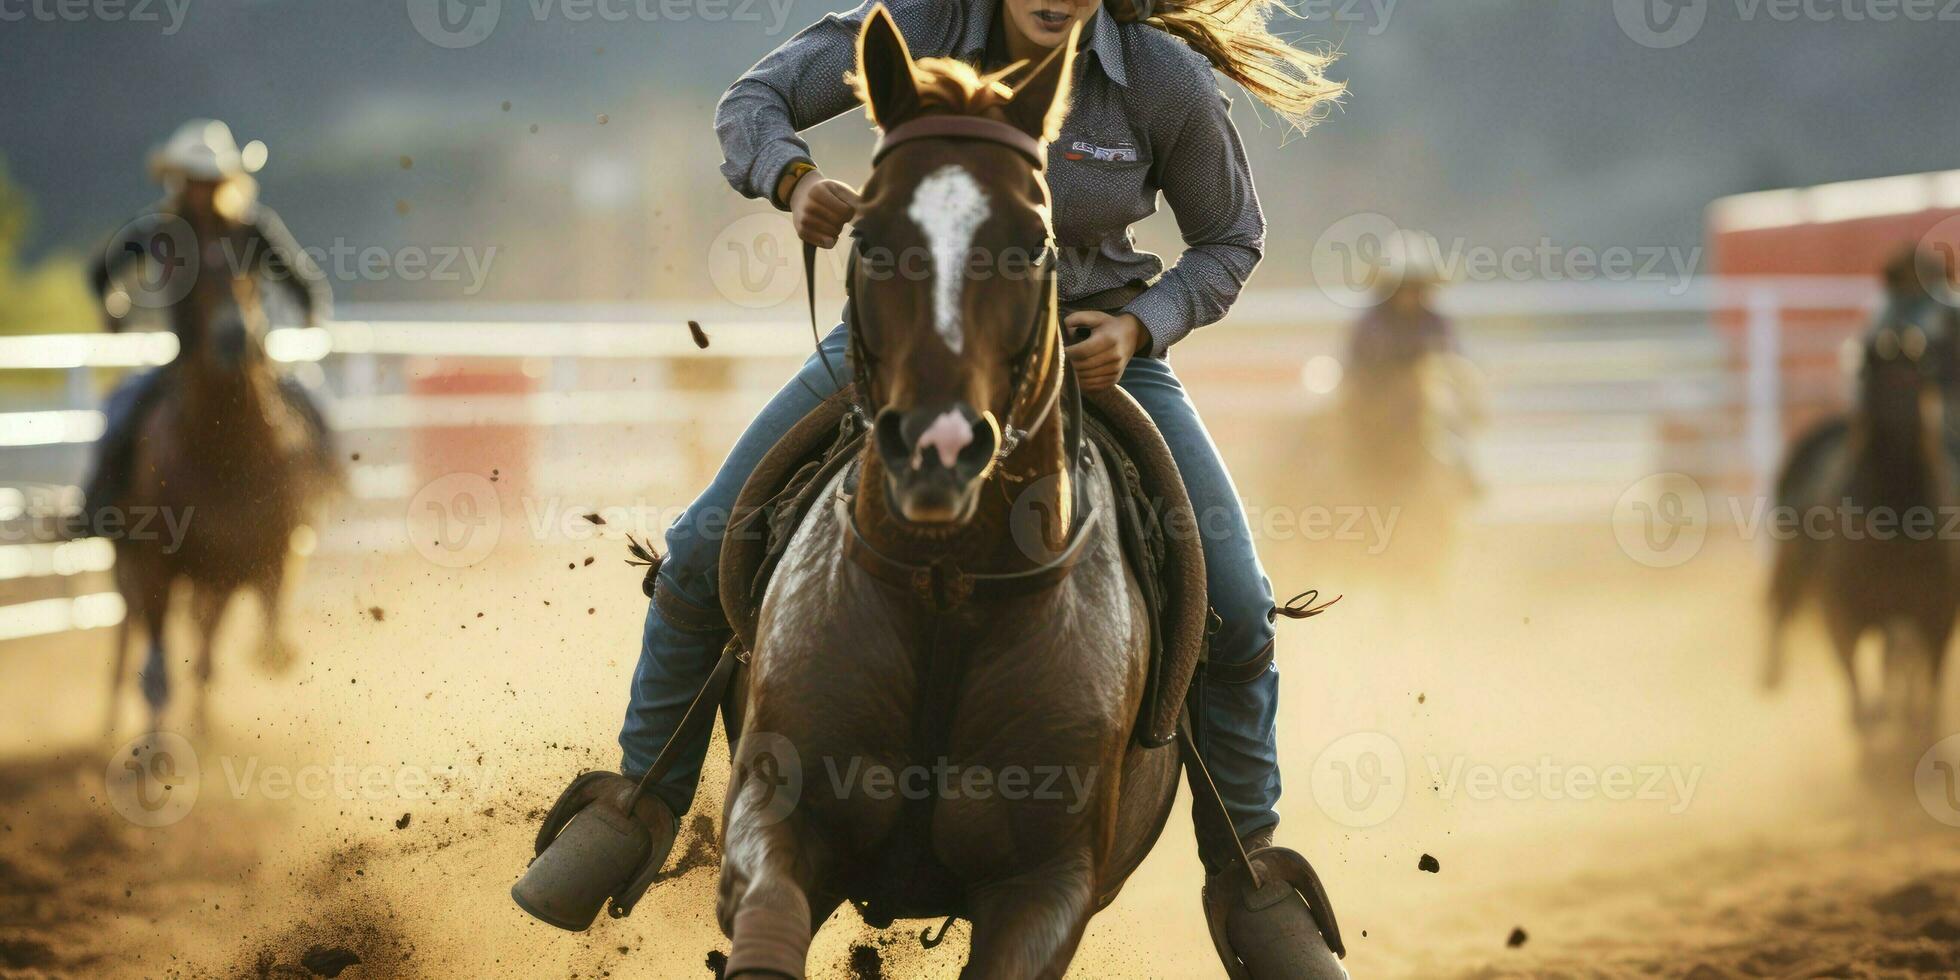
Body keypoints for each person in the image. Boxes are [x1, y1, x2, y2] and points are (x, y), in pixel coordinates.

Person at [615, 0, 1341, 911]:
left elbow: (1230, 238)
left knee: (1235, 602)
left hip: (1094, 355)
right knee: (697, 552)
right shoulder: (912, 26)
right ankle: (639, 802)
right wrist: (794, 180)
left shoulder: (1164, 81)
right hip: (913, 341)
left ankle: (1249, 871)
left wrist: (1140, 324)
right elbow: (754, 102)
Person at [81, 119, 334, 531]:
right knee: (121, 413)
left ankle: (322, 495)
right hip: (183, 365)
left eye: (210, 180)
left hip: (255, 363)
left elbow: (302, 282)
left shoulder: (252, 228)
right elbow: (101, 273)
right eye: (195, 180)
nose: (202, 190)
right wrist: (115, 306)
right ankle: (98, 510)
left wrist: (308, 312)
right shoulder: (160, 230)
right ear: (180, 182)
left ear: (225, 181)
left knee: (311, 410)